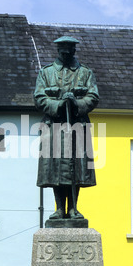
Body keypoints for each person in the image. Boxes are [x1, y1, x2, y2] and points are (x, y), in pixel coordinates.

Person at [34, 36, 99, 220]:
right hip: (54, 126)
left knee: (76, 167)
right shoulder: (46, 73)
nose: (67, 54)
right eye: (63, 51)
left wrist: (76, 103)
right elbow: (39, 97)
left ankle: (73, 208)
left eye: (70, 51)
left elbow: (93, 96)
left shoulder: (85, 73)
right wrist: (58, 105)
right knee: (56, 167)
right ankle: (59, 208)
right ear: (58, 51)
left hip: (77, 125)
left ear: (74, 51)